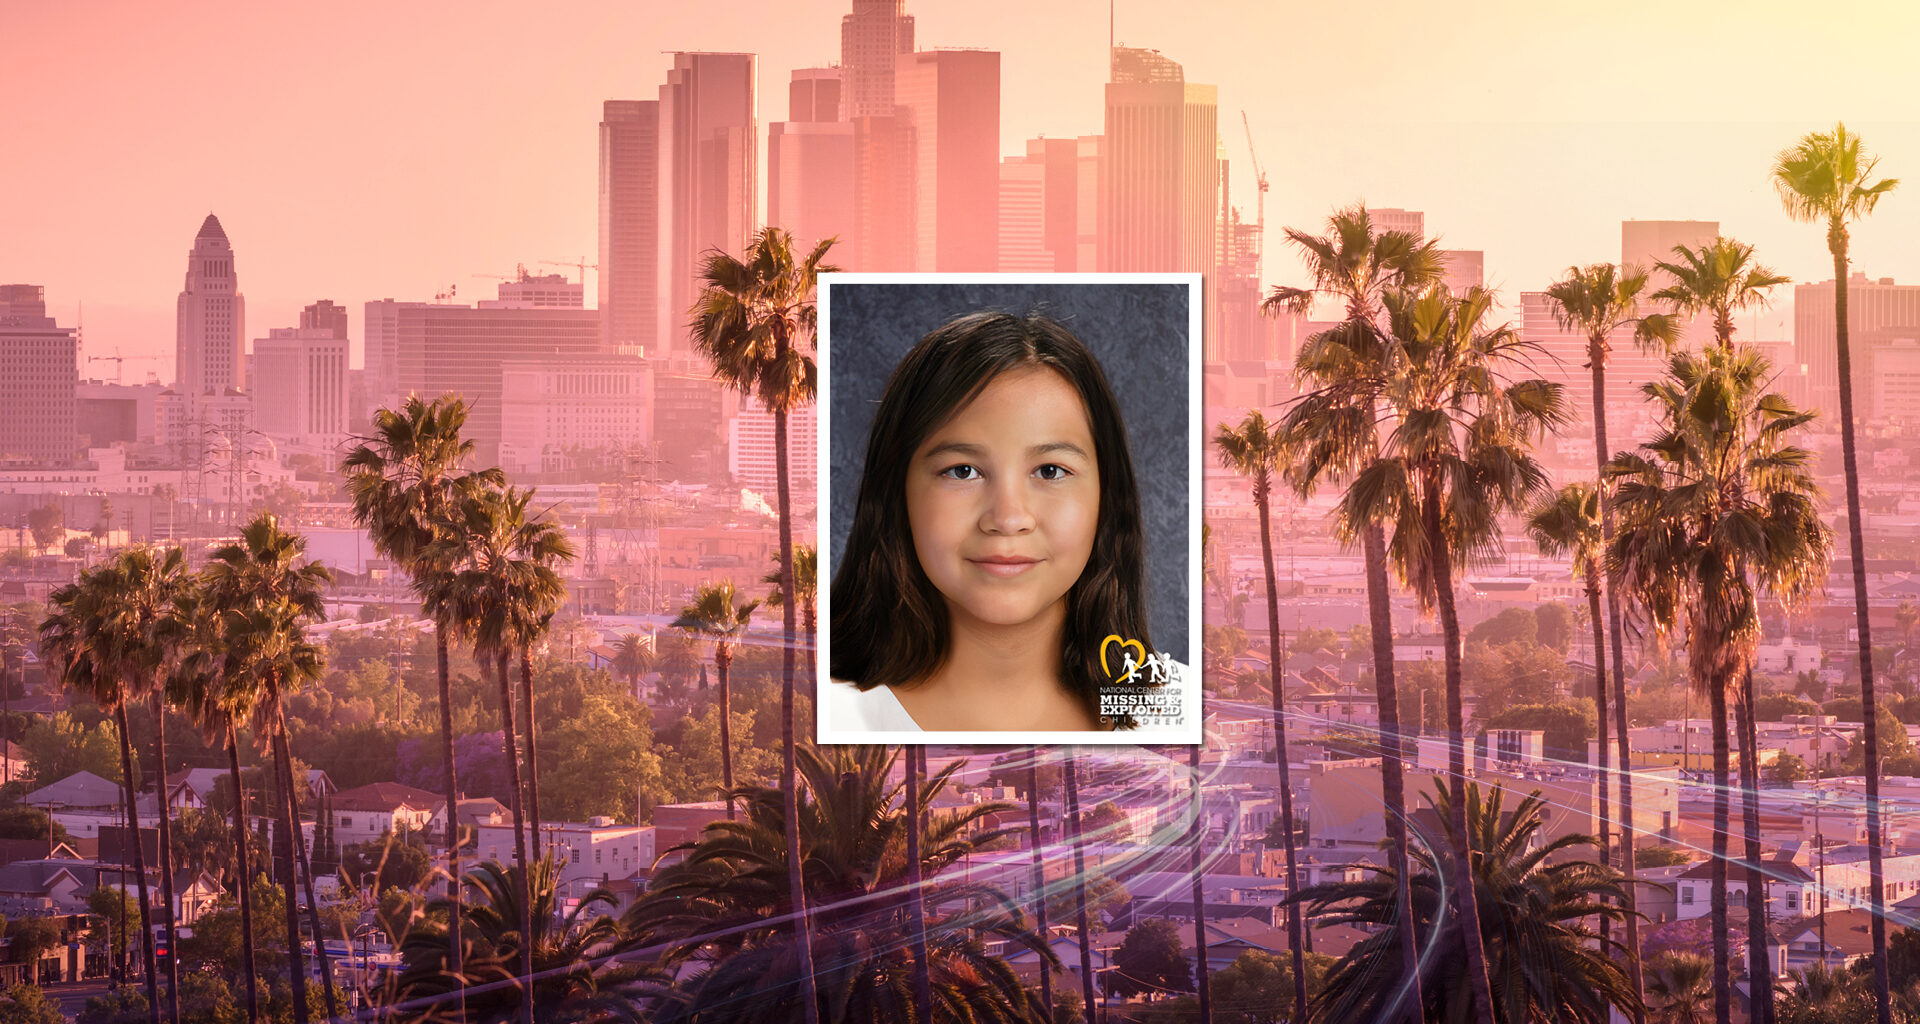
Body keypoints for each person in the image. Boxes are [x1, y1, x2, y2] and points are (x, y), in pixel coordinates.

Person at [828, 310, 1170, 733]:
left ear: (1108, 497)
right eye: (962, 471)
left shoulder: (1192, 714)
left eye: (1050, 471)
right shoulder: (822, 715)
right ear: (896, 493)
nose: (1008, 519)